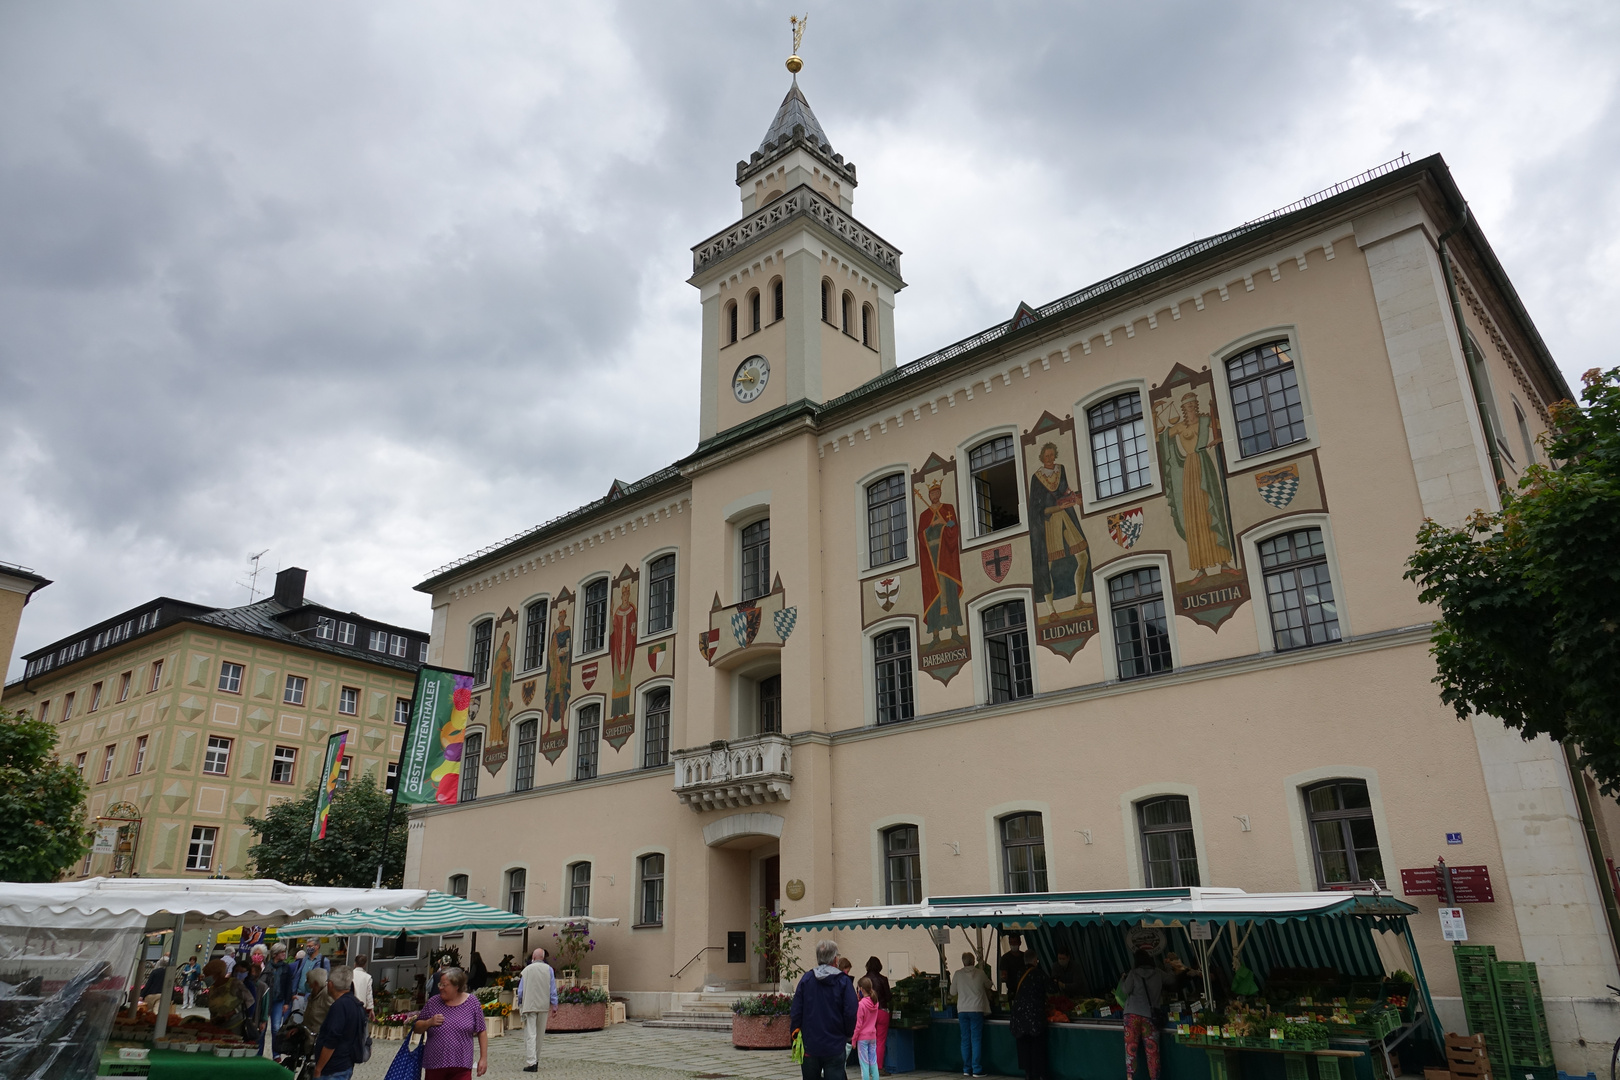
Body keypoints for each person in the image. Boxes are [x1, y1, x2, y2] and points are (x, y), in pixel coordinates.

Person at [789, 939, 858, 1080]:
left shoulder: (807, 979)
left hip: (810, 1045)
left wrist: (795, 1036)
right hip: (835, 1044)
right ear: (835, 959)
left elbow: (796, 1011)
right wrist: (848, 1033)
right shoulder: (843, 981)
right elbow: (851, 1012)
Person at [413, 966, 489, 1080]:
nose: (440, 988)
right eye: (440, 984)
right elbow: (416, 1028)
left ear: (456, 986)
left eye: (444, 985)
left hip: (462, 1065)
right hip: (435, 1064)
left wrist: (483, 1058)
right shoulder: (433, 1002)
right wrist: (429, 1022)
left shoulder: (472, 1003)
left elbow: (481, 1031)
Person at [313, 965, 367, 1080]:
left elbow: (332, 1040)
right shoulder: (356, 1003)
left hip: (333, 1068)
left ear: (331, 984)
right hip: (345, 1064)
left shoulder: (339, 1006)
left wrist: (319, 1068)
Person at [1118, 950, 1165, 1080]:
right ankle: (1155, 1077)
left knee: (1130, 1050)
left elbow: (1125, 990)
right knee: (1152, 1051)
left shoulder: (1133, 973)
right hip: (1150, 1016)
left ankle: (1130, 1078)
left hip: (1132, 1016)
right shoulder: (1158, 973)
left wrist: (1123, 979)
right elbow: (1172, 980)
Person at [951, 951, 993, 1077]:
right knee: (975, 1039)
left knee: (965, 1040)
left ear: (963, 961)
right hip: (976, 1009)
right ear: (973, 961)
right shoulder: (980, 973)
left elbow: (952, 992)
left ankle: (966, 1068)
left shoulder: (958, 974)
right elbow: (989, 985)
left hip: (962, 1010)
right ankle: (976, 1069)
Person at [516, 947, 556, 1073]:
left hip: (530, 1005)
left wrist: (520, 1002)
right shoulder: (549, 970)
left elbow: (520, 991)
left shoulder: (526, 970)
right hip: (543, 1005)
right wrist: (554, 1004)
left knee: (530, 1034)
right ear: (543, 958)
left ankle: (531, 1062)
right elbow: (552, 989)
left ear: (533, 957)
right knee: (540, 1034)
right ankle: (536, 1060)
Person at [1011, 951, 1050, 1080]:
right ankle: (1040, 1074)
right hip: (1034, 1016)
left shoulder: (1019, 973)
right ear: (1035, 960)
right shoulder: (1038, 973)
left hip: (1019, 1016)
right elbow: (1051, 988)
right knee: (1037, 1045)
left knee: (1024, 1046)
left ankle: (1028, 1073)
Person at [203, 958, 254, 1037]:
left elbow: (250, 1000)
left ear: (218, 974)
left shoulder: (234, 983)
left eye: (208, 975)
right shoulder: (213, 988)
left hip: (234, 1026)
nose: (205, 978)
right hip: (217, 1027)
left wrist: (232, 1013)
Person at [864, 958, 891, 1075]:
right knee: (880, 1041)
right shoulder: (883, 979)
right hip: (882, 1011)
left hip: (868, 1013)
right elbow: (889, 997)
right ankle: (878, 1068)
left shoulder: (863, 980)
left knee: (867, 1041)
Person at [854, 976, 881, 1080]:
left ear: (861, 989)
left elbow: (858, 1024)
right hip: (872, 1036)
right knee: (873, 1062)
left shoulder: (861, 1005)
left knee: (864, 1065)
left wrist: (854, 1039)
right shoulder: (875, 1002)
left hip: (862, 1038)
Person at [302, 966, 333, 1043]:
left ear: (315, 983)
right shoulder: (313, 994)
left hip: (319, 1038)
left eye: (309, 982)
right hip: (309, 1036)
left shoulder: (327, 995)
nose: (307, 985)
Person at [996, 932, 1026, 1001]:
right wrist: (1003, 977)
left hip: (1025, 989)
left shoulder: (1024, 957)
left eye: (1015, 942)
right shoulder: (1005, 958)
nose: (1013, 944)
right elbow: (1003, 973)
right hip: (1011, 990)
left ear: (1020, 943)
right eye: (1011, 942)